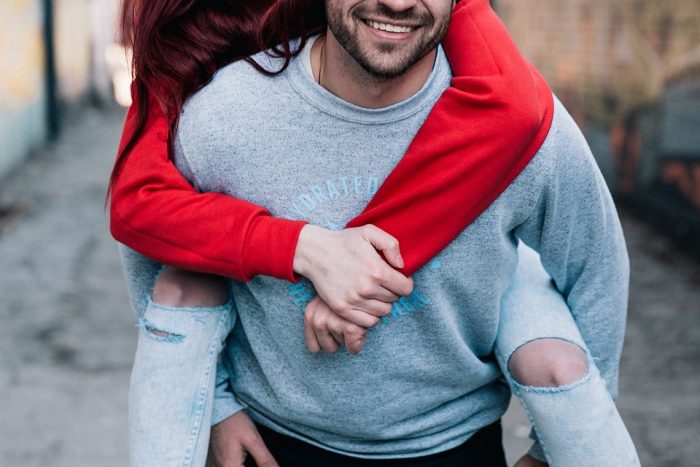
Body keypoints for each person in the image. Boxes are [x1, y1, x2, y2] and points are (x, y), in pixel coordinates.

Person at [112, 0, 640, 466]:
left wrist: (556, 448)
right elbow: (154, 250)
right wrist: (217, 407)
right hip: (272, 440)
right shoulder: (225, 114)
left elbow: (596, 265)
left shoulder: (527, 125)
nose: (398, 2)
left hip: (455, 444)